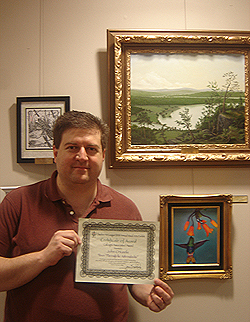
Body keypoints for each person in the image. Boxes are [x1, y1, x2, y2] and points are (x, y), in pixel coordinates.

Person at [0, 110, 174, 322]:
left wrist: (148, 294)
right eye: (72, 147)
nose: (82, 156)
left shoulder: (125, 208)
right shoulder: (17, 202)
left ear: (102, 155)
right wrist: (43, 257)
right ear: (55, 153)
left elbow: (135, 278)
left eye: (91, 149)